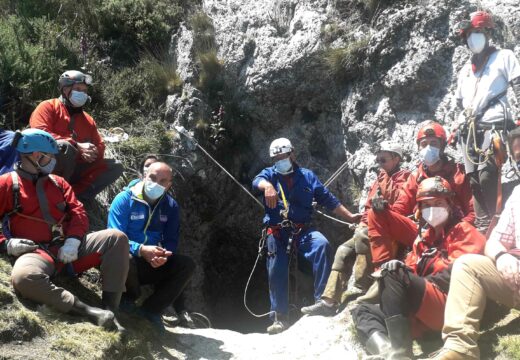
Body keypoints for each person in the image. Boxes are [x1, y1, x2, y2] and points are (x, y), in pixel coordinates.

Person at [0, 129, 129, 331]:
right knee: (24, 277)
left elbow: (78, 213)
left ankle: (112, 309)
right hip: (36, 252)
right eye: (50, 156)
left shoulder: (59, 182)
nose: (53, 161)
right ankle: (89, 312)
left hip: (71, 250)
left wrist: (73, 240)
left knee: (116, 238)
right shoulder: (6, 183)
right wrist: (7, 244)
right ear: (36, 155)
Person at [351, 176, 485, 359]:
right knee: (362, 310)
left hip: (449, 306)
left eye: (438, 202)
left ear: (449, 204)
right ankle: (386, 351)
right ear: (420, 209)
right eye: (426, 205)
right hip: (421, 309)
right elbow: (412, 268)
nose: (432, 209)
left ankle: (401, 354)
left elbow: (459, 274)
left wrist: (408, 282)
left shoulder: (465, 232)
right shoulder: (424, 239)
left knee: (395, 272)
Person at [427, 127, 520, 360]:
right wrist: (501, 256)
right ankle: (460, 348)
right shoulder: (517, 195)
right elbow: (494, 241)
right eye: (519, 159)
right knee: (467, 265)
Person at [252, 137, 362, 334]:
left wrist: (351, 217)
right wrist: (267, 186)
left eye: (283, 156)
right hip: (277, 232)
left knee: (322, 245)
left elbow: (328, 199)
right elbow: (256, 181)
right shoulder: (269, 175)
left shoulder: (307, 177)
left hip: (301, 230)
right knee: (276, 267)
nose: (280, 160)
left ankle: (324, 301)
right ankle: (279, 317)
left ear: (292, 154)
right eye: (276, 158)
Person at [301, 141, 411, 316]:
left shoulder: (406, 179)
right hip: (370, 226)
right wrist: (362, 222)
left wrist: (377, 214)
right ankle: (329, 301)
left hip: (390, 230)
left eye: (383, 159)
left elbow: (401, 206)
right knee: (343, 250)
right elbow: (369, 207)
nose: (379, 163)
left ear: (396, 159)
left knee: (363, 237)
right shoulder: (380, 179)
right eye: (378, 160)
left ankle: (360, 287)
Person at [367, 121, 475, 270]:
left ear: (442, 146)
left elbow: (472, 212)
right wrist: (385, 210)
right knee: (376, 214)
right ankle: (382, 273)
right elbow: (401, 206)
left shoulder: (458, 174)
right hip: (422, 231)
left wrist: (456, 229)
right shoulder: (416, 177)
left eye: (433, 143)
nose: (428, 148)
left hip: (453, 231)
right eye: (424, 144)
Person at [107, 161, 196, 331]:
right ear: (144, 175)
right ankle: (128, 297)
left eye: (163, 181)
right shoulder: (124, 199)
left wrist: (164, 255)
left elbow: (171, 239)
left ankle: (151, 310)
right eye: (153, 178)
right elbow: (114, 237)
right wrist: (141, 250)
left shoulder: (170, 206)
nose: (156, 183)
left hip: (151, 260)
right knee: (125, 256)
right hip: (125, 259)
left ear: (169, 185)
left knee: (187, 265)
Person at [453, 10, 520, 232]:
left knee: (488, 176)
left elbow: (517, 85)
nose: (475, 37)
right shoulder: (464, 71)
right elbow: (461, 103)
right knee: (473, 181)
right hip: (470, 132)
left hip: (494, 126)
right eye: (471, 33)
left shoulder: (504, 56)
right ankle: (483, 228)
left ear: (488, 33)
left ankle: (500, 225)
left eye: (479, 31)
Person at [29, 70, 124, 201]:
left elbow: (100, 145)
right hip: (45, 165)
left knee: (115, 167)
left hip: (74, 168)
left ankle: (74, 196)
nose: (82, 93)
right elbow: (39, 134)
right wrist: (77, 146)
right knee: (65, 147)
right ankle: (51, 192)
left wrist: (91, 153)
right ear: (65, 89)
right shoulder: (48, 106)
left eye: (85, 91)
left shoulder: (88, 120)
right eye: (78, 89)